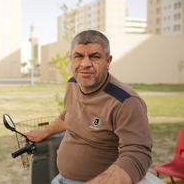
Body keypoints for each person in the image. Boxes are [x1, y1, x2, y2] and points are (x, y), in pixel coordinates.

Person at [25, 30, 153, 184]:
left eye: (95, 56)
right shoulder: (73, 83)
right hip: (62, 179)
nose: (85, 64)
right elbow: (68, 115)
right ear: (71, 59)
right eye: (79, 56)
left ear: (108, 60)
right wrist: (45, 132)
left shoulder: (126, 101)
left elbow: (136, 155)